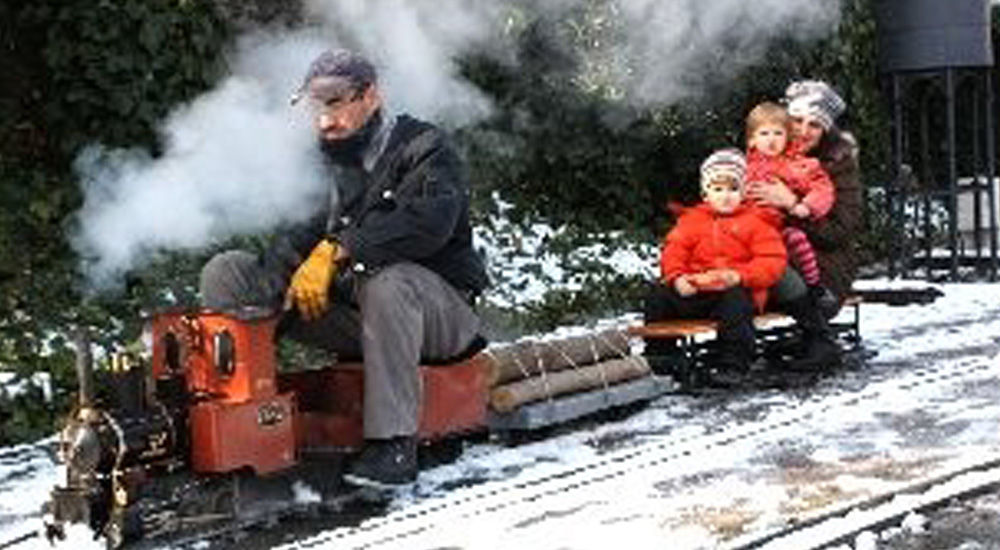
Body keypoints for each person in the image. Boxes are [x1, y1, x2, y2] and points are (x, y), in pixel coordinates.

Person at [199, 49, 488, 488]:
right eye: (316, 108)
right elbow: (294, 238)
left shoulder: (425, 147)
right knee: (228, 272)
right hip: (359, 318)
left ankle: (394, 443)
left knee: (388, 281)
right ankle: (250, 416)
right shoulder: (322, 162)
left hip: (438, 320)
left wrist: (339, 248)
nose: (324, 121)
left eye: (335, 105)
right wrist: (272, 287)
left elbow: (428, 226)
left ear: (370, 96)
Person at [747, 79, 863, 370]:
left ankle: (820, 341)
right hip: (767, 249)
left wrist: (790, 206)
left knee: (778, 263)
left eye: (814, 125)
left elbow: (841, 230)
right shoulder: (766, 153)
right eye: (796, 120)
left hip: (824, 262)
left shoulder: (838, 164)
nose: (803, 130)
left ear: (826, 131)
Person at [644, 149, 787, 378]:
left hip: (734, 290)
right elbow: (674, 251)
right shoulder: (691, 222)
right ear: (705, 193)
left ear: (743, 192)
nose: (725, 196)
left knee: (735, 302)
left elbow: (772, 261)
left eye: (733, 189)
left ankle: (733, 363)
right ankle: (661, 355)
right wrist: (677, 277)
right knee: (658, 295)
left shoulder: (756, 222)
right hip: (697, 289)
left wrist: (741, 276)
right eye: (717, 189)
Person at [745, 101, 836, 303]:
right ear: (752, 140)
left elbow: (822, 188)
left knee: (796, 238)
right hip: (748, 230)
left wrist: (805, 206)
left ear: (787, 138)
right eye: (764, 134)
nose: (771, 140)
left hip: (778, 227)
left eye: (778, 134)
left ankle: (814, 285)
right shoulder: (743, 168)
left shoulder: (798, 165)